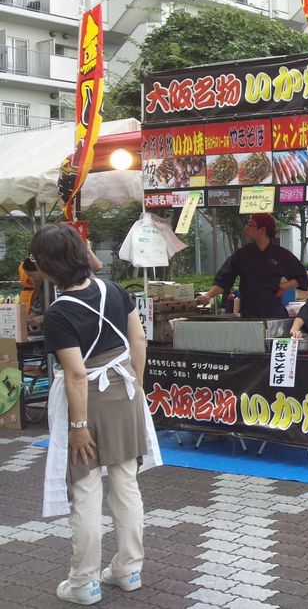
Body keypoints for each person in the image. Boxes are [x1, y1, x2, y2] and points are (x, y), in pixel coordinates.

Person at [31, 223, 160, 606]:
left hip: (88, 403)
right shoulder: (116, 291)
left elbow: (75, 374)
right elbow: (139, 339)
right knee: (125, 484)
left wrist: (78, 426)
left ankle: (84, 581)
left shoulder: (59, 312)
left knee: (85, 492)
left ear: (49, 266)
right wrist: (134, 385)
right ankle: (129, 569)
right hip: (124, 392)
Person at [196, 213, 308, 319]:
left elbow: (302, 278)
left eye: (250, 225)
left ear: (262, 229)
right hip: (249, 314)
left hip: (274, 313)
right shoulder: (242, 254)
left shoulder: (281, 254)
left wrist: (283, 286)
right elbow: (224, 280)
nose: (246, 228)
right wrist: (208, 295)